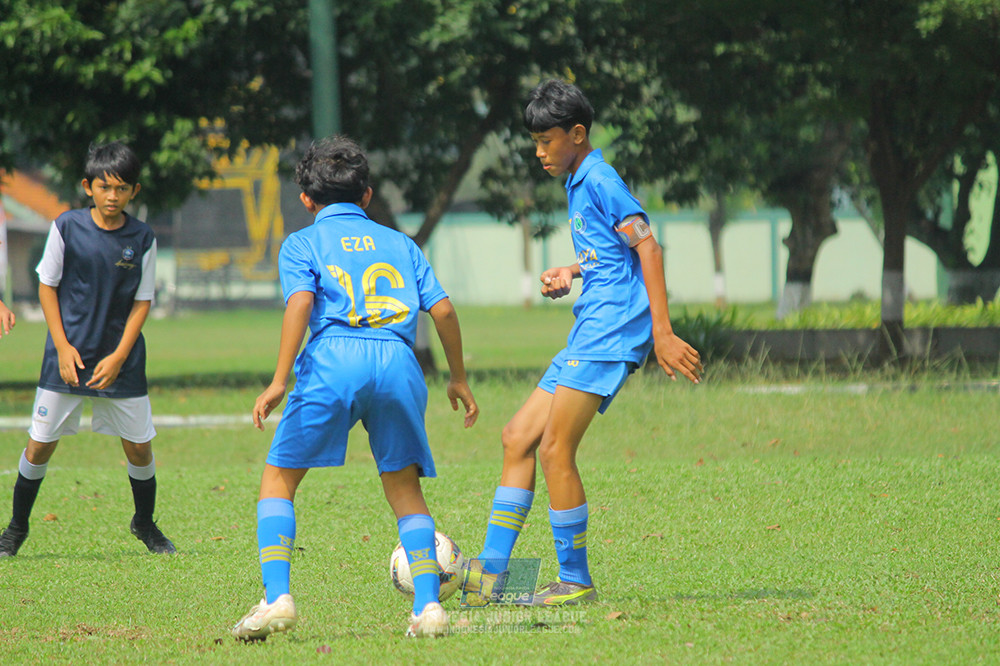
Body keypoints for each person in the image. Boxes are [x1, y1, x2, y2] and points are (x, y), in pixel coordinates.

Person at [463, 79, 702, 607]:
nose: (539, 152)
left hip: (610, 330)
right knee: (516, 437)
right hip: (590, 327)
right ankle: (491, 578)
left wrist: (662, 333)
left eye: (546, 141)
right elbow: (610, 252)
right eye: (535, 142)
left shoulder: (599, 178)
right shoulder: (578, 179)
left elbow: (648, 247)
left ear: (576, 134)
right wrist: (572, 271)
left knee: (554, 449)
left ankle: (575, 581)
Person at [232, 136, 479, 641]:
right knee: (405, 489)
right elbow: (444, 310)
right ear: (366, 196)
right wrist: (457, 376)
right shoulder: (402, 244)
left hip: (334, 359)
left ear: (307, 200)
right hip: (397, 361)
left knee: (279, 480)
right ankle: (429, 607)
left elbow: (301, 304)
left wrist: (279, 380)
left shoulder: (301, 244)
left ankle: (277, 598)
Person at [0, 141, 174, 558]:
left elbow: (143, 301)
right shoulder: (66, 227)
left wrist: (119, 356)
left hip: (121, 359)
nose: (112, 196)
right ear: (87, 186)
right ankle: (16, 529)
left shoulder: (142, 237)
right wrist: (62, 347)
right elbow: (47, 286)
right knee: (39, 445)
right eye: (104, 187)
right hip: (68, 358)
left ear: (134, 191)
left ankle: (145, 523)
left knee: (139, 447)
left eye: (121, 188)